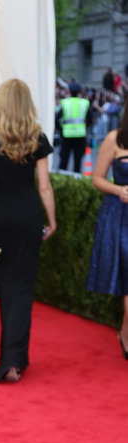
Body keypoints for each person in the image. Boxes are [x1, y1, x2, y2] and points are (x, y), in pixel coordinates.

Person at [0, 79, 56, 383]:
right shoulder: (38, 138)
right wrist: (53, 220)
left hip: (0, 219)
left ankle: (9, 359)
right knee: (22, 289)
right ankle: (14, 360)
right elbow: (45, 187)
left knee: (7, 288)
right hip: (28, 217)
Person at [86, 105, 128, 360]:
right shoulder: (115, 138)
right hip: (121, 217)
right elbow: (97, 179)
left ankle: (124, 332)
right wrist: (119, 190)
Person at [56, 82, 91, 173]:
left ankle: (61, 179)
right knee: (78, 160)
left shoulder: (65, 103)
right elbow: (90, 119)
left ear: (70, 91)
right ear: (79, 92)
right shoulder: (85, 103)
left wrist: (61, 129)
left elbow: (57, 119)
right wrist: (84, 128)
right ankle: (76, 180)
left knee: (64, 159)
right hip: (80, 134)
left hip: (67, 134)